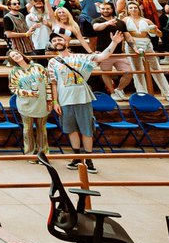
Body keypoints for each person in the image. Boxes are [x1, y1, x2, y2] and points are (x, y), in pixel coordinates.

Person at [47, 30, 125, 174]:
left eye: (59, 40)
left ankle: (88, 158)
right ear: (52, 45)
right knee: (71, 129)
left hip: (83, 97)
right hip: (65, 99)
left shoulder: (81, 57)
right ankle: (77, 157)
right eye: (54, 41)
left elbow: (102, 56)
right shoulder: (52, 62)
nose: (57, 42)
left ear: (66, 42)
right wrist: (55, 102)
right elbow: (53, 83)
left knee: (86, 129)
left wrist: (114, 42)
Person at [7, 50, 53, 158]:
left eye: (17, 54)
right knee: (27, 130)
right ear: (12, 60)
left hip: (41, 103)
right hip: (26, 104)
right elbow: (13, 88)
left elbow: (48, 84)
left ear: (21, 54)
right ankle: (30, 154)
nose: (16, 56)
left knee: (42, 129)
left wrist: (50, 100)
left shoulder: (38, 67)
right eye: (13, 56)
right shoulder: (14, 72)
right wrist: (29, 93)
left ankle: (44, 154)